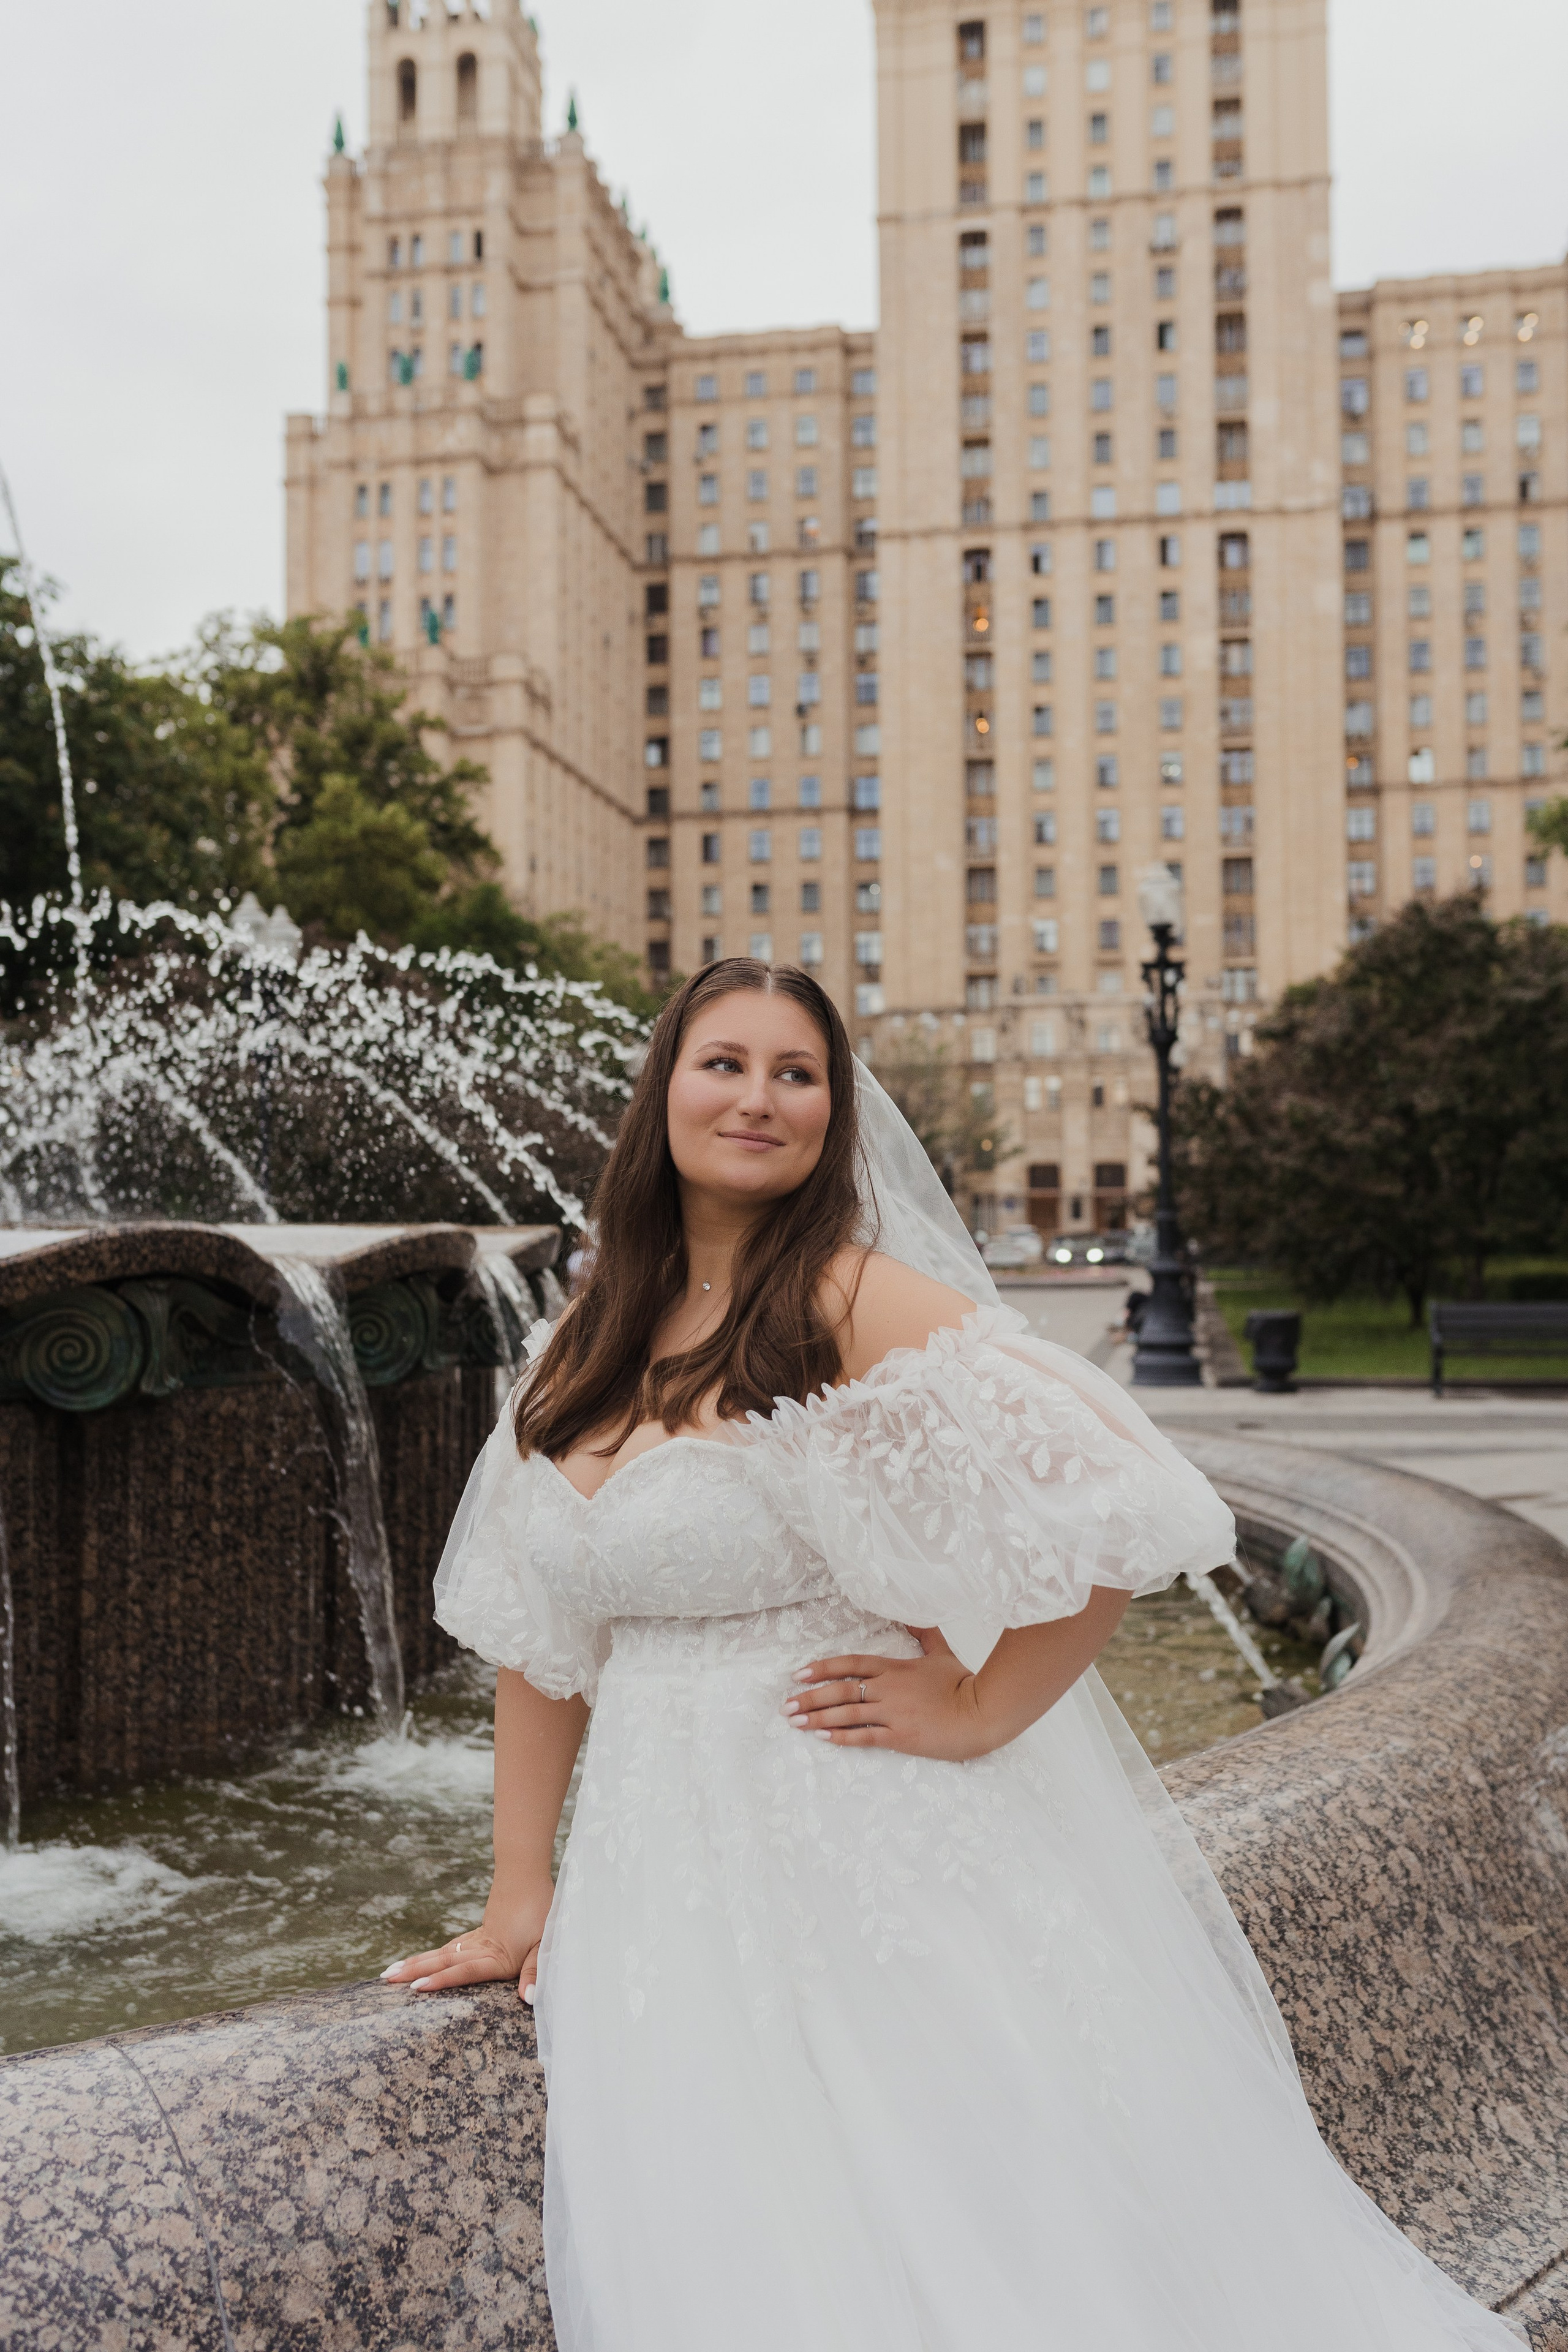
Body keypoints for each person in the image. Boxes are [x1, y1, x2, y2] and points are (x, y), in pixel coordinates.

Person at [383, 960, 1517, 2351]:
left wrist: (982, 1703)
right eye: (723, 1062)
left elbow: (1129, 1495)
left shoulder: (849, 1301)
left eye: (796, 1074)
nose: (757, 1097)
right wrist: (517, 1898)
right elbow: (539, 1648)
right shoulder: (580, 1344)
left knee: (960, 2236)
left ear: (831, 1114)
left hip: (855, 1837)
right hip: (656, 1870)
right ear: (661, 1093)